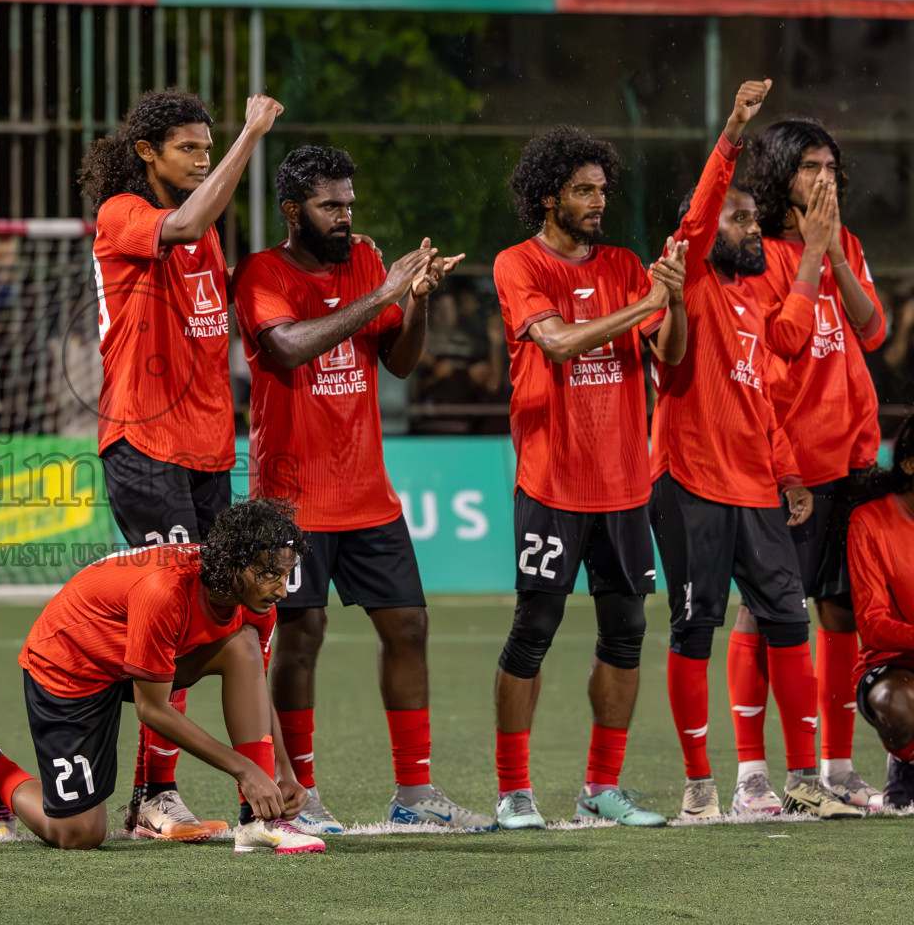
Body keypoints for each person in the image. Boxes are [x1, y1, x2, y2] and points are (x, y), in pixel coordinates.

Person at [231, 145, 489, 833]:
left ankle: (415, 792)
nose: (345, 217)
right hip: (290, 497)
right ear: (293, 211)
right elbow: (285, 348)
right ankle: (302, 792)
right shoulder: (262, 271)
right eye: (329, 205)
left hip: (367, 491)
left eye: (349, 203)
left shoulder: (368, 261)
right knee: (303, 633)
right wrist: (381, 294)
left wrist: (419, 303)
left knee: (408, 624)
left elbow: (399, 363)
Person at [649, 83, 862, 820]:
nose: (747, 226)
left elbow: (768, 387)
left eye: (749, 215)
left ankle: (804, 781)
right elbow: (707, 204)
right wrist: (734, 130)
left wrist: (786, 470)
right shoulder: (697, 273)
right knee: (696, 626)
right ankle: (703, 786)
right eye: (737, 219)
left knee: (789, 622)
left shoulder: (749, 297)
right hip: (690, 482)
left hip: (754, 486)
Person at [78, 88, 283, 839]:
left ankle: (263, 789)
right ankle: (152, 796)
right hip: (141, 443)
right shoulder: (123, 216)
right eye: (189, 148)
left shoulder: (210, 234)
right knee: (173, 618)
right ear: (146, 153)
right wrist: (250, 131)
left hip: (204, 447)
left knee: (234, 613)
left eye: (208, 146)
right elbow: (189, 218)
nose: (202, 159)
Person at [488, 122, 690, 830]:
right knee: (534, 627)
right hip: (552, 483)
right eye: (582, 191)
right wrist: (644, 303)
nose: (597, 202)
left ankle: (601, 786)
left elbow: (672, 355)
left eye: (602, 189)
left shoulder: (628, 264)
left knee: (627, 631)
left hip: (626, 485)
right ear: (548, 198)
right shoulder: (519, 265)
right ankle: (515, 790)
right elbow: (558, 343)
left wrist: (677, 297)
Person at [0, 499, 324, 854]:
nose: (281, 590)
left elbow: (255, 689)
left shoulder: (255, 602)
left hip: (127, 655)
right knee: (79, 834)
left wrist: (283, 774)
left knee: (243, 647)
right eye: (269, 575)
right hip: (69, 665)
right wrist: (245, 770)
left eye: (284, 575)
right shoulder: (164, 590)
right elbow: (151, 709)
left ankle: (256, 821)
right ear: (234, 564)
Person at [730, 120, 887, 809]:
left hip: (853, 456)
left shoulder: (843, 241)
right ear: (780, 173)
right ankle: (749, 775)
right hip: (786, 462)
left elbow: (873, 330)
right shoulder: (755, 254)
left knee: (840, 614)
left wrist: (836, 256)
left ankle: (838, 768)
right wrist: (808, 257)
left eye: (831, 165)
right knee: (764, 615)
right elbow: (778, 350)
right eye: (810, 166)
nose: (824, 176)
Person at [846, 416, 914, 810]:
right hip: (892, 665)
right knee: (897, 702)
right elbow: (872, 626)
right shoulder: (871, 520)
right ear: (908, 464)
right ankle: (907, 762)